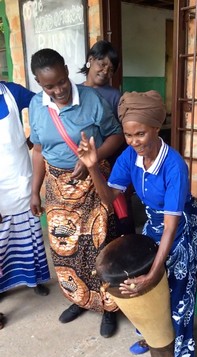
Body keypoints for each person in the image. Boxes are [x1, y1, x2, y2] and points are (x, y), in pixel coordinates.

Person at [78, 90, 197, 357]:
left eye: (140, 133)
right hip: (154, 224)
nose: (134, 140)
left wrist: (154, 271)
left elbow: (173, 226)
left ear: (155, 129)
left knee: (180, 298)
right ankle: (152, 336)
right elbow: (110, 198)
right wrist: (94, 166)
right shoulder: (129, 157)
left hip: (182, 229)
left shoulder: (174, 166)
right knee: (145, 289)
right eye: (128, 134)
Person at [28, 48, 124, 338]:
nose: (58, 90)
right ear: (38, 82)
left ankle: (108, 307)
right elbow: (38, 149)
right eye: (49, 86)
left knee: (99, 246)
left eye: (61, 81)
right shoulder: (35, 106)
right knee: (66, 249)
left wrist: (88, 159)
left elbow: (116, 136)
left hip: (93, 180)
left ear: (68, 71)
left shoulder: (92, 100)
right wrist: (35, 191)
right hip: (57, 188)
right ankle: (79, 299)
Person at [0, 81, 50, 302]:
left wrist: (34, 140)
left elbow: (42, 102)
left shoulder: (12, 92)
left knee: (29, 232)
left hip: (19, 175)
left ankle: (34, 279)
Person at [80, 40, 136, 235]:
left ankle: (124, 252)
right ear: (90, 60)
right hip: (83, 161)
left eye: (111, 69)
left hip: (111, 161)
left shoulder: (114, 96)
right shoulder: (74, 92)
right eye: (102, 64)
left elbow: (121, 133)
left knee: (119, 211)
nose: (105, 71)